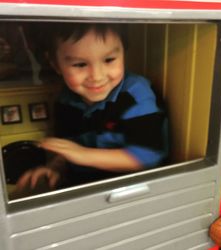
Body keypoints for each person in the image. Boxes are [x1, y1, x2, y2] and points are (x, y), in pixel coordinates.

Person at [16, 23, 169, 190]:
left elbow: (148, 156)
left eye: (109, 60)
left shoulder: (135, 94)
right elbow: (68, 148)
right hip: (84, 189)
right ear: (55, 65)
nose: (97, 76)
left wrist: (83, 155)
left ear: (124, 54)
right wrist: (55, 168)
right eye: (80, 64)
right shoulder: (65, 101)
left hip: (131, 190)